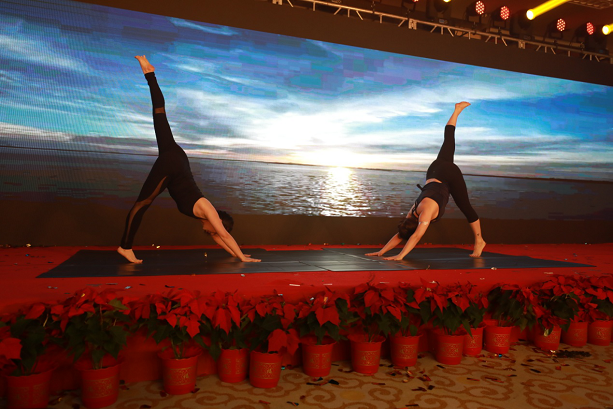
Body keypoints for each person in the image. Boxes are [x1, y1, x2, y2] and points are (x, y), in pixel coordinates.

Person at [117, 55, 260, 264]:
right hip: (174, 166)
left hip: (177, 159)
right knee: (142, 203)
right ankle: (125, 247)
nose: (211, 233)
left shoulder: (205, 216)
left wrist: (236, 255)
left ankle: (149, 73)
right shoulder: (208, 210)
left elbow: (220, 238)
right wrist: (243, 259)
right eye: (215, 229)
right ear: (219, 222)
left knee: (159, 113)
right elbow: (223, 235)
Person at [366, 102, 486, 260]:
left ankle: (479, 241)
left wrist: (400, 256)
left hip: (448, 174)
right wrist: (381, 252)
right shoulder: (412, 212)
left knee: (465, 206)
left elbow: (416, 236)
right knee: (448, 139)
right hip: (434, 169)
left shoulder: (424, 216)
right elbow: (401, 234)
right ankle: (457, 110)